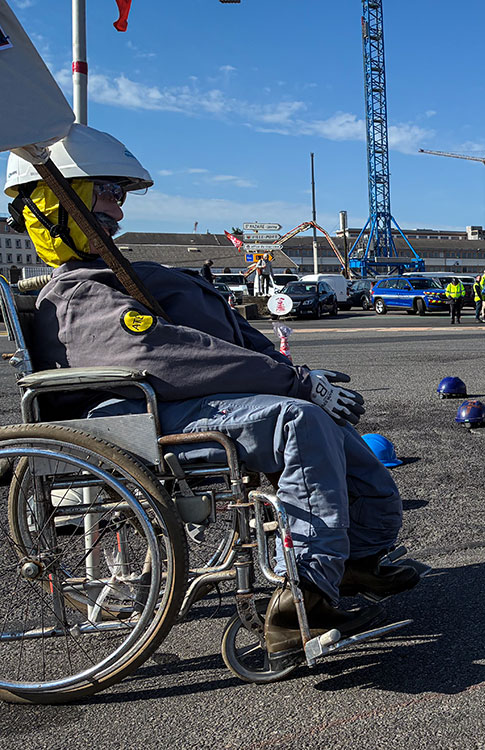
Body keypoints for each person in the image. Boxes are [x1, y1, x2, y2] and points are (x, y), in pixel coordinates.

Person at [6, 124, 417, 661]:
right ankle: (303, 602)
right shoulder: (80, 296)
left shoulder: (121, 275)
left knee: (324, 421)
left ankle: (355, 559)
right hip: (141, 418)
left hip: (172, 407)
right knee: (298, 421)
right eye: (109, 194)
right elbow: (161, 356)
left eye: (122, 197)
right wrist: (293, 384)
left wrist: (300, 375)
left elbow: (218, 340)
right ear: (63, 201)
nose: (120, 213)